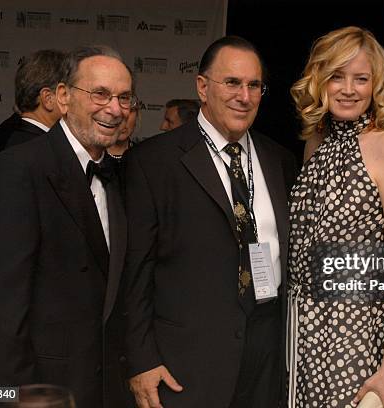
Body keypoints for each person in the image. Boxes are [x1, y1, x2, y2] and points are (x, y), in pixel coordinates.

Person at [123, 36, 297, 408]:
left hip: (268, 355)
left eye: (254, 86)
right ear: (202, 87)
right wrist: (142, 360)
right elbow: (135, 272)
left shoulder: (279, 160)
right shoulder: (154, 162)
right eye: (232, 83)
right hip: (186, 364)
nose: (244, 96)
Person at [0, 45, 135, 408]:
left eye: (124, 97)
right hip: (48, 389)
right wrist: (22, 397)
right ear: (63, 96)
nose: (115, 109)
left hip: (110, 386)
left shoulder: (121, 176)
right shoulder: (17, 170)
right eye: (100, 94)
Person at [288, 26, 384, 408]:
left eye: (361, 79)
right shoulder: (316, 143)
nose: (348, 89)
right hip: (302, 332)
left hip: (357, 333)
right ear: (319, 82)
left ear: (376, 85)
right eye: (336, 77)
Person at [0, 49, 65, 168]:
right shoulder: (38, 150)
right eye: (66, 93)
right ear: (48, 99)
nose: (76, 101)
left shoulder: (6, 135)